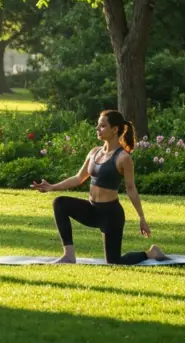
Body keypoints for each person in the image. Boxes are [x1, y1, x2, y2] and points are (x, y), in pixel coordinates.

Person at [31, 110, 166, 264]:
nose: (97, 129)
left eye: (102, 126)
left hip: (110, 215)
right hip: (91, 209)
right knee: (60, 203)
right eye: (98, 125)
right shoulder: (94, 152)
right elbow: (79, 178)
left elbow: (131, 189)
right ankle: (69, 255)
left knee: (114, 261)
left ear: (114, 129)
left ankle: (150, 253)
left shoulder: (123, 158)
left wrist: (141, 218)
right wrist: (52, 187)